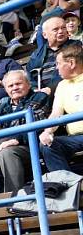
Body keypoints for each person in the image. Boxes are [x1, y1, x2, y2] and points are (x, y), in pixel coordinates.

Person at [0, 70, 50, 196]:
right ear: (6, 89)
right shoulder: (4, 103)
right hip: (3, 147)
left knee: (7, 152)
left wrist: (16, 139)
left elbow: (37, 124)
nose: (15, 88)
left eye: (18, 84)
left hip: (30, 147)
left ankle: (13, 199)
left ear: (28, 84)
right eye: (10, 86)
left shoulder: (39, 97)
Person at [39, 43, 83, 171]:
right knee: (49, 144)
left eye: (58, 63)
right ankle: (66, 185)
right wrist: (47, 132)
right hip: (75, 138)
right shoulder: (62, 85)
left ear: (71, 63)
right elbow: (56, 114)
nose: (56, 67)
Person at [26, 15, 79, 93]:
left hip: (68, 90)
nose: (61, 31)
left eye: (63, 28)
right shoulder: (37, 54)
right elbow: (29, 75)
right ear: (44, 35)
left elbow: (74, 71)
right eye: (55, 29)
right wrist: (35, 90)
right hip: (41, 94)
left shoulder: (76, 46)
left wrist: (51, 89)